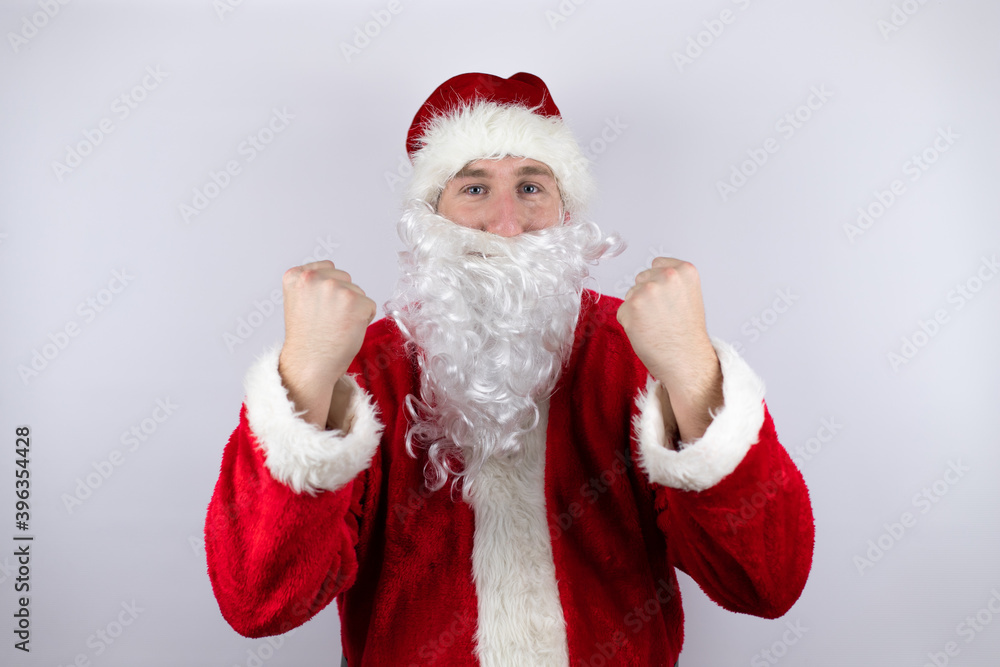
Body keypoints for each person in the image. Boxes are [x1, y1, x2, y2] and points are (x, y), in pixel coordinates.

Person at [204, 72, 814, 667]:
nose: (506, 224)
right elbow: (258, 604)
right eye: (474, 189)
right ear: (430, 216)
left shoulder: (636, 351)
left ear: (566, 211)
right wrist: (306, 376)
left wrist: (694, 374)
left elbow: (765, 584)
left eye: (530, 187)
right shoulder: (366, 364)